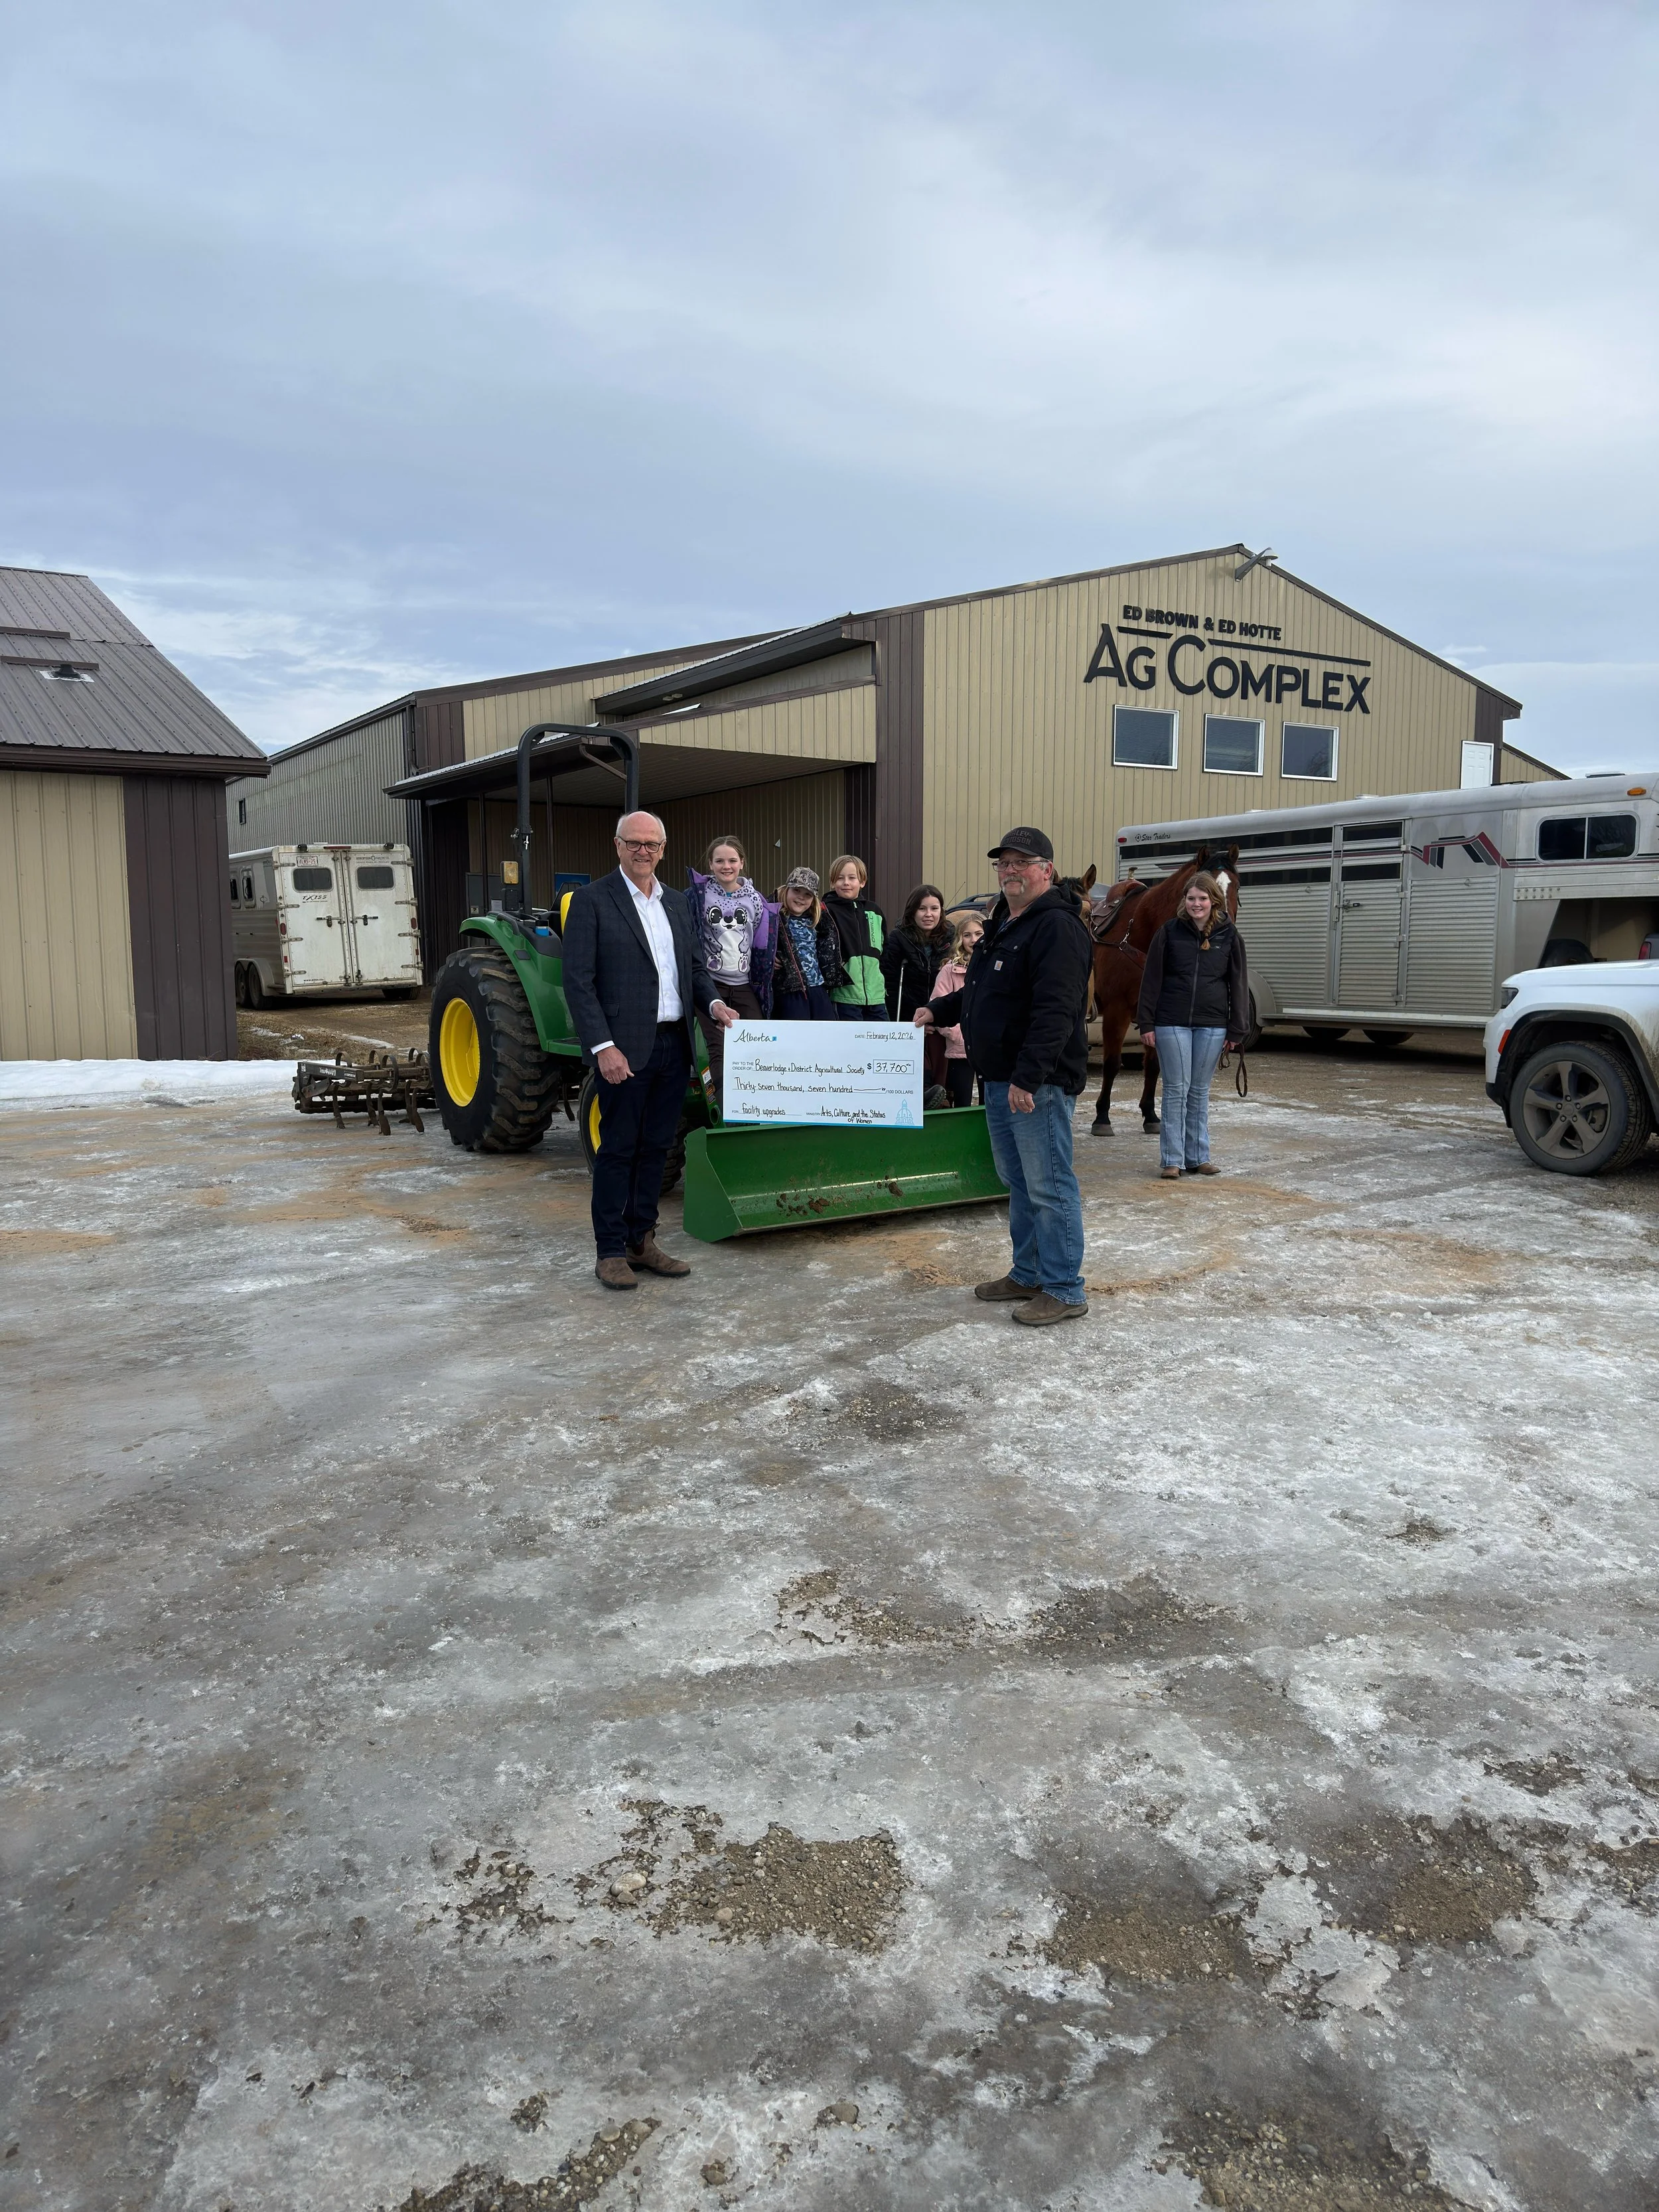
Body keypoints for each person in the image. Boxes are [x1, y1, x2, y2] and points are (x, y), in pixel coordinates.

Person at [916, 828, 1093, 1325]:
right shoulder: (1003, 923)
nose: (1010, 869)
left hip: (1035, 1085)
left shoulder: (1056, 927)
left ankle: (1063, 1287)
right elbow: (981, 990)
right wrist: (937, 1009)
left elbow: (1057, 1011)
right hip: (997, 1079)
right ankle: (1028, 1272)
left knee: (1050, 1185)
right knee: (1018, 1182)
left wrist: (1028, 1077)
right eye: (1004, 862)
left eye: (1022, 861)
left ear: (1046, 871)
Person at [561, 811, 738, 1289]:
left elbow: (695, 969)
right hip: (622, 1048)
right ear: (617, 845)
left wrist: (716, 1003)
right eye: (635, 842)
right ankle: (610, 1251)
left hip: (672, 1045)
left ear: (663, 849)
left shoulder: (678, 903)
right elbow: (578, 983)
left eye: (652, 844)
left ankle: (643, 1240)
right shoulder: (592, 901)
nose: (644, 851)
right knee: (618, 1149)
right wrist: (603, 1046)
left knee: (658, 1148)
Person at [1137, 872, 1248, 1181]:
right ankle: (1172, 1160)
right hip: (1171, 1022)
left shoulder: (1229, 936)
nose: (1196, 904)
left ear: (1214, 901)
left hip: (1212, 1025)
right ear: (1183, 902)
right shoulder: (1169, 932)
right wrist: (1147, 1022)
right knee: (1176, 1089)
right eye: (1191, 899)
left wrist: (1237, 1029)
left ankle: (1199, 1157)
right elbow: (1151, 981)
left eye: (1202, 899)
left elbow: (1238, 983)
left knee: (1199, 1091)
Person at [687, 834, 775, 1108]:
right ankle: (727, 1111)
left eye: (732, 860)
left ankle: (758, 1104)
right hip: (709, 983)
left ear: (742, 863)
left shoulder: (756, 899)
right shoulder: (697, 896)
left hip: (743, 983)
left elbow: (763, 939)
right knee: (719, 1047)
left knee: (757, 1042)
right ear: (710, 865)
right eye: (720, 861)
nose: (727, 866)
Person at [770, 866, 844, 1019]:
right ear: (786, 890)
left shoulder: (818, 921)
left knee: (827, 1030)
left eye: (808, 894)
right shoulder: (772, 917)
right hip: (789, 989)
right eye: (796, 891)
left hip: (817, 986)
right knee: (796, 1034)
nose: (801, 897)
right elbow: (755, 943)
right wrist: (768, 956)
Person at [928, 912, 984, 1106]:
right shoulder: (949, 971)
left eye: (979, 934)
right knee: (961, 1102)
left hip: (988, 1051)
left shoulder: (993, 968)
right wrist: (960, 1036)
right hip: (960, 1050)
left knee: (990, 1104)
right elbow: (939, 1005)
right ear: (960, 939)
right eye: (967, 935)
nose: (973, 939)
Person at [823, 854, 887, 1021]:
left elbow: (884, 950)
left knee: (882, 1045)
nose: (846, 883)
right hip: (844, 995)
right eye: (840, 878)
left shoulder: (875, 911)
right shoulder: (826, 911)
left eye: (852, 878)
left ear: (862, 882)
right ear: (832, 882)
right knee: (851, 1046)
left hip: (876, 996)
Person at [881, 883, 954, 1021]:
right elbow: (891, 984)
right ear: (912, 911)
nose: (929, 914)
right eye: (922, 909)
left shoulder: (951, 937)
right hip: (910, 1018)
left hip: (942, 1017)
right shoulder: (899, 937)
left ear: (941, 911)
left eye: (934, 909)